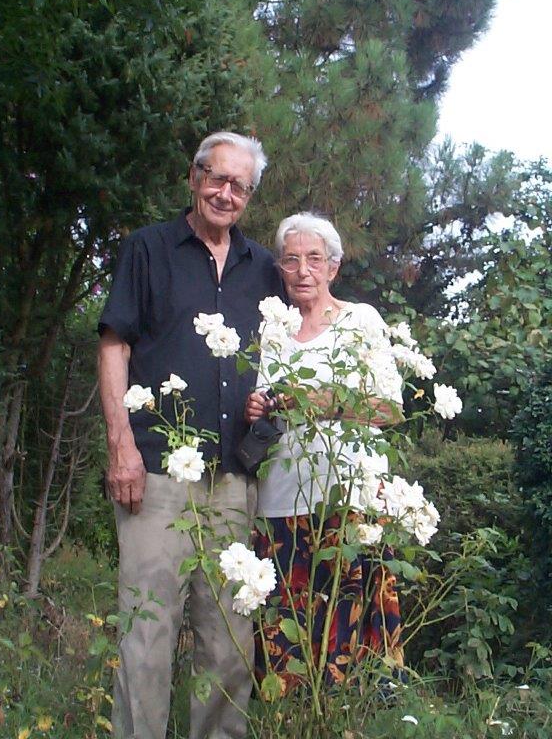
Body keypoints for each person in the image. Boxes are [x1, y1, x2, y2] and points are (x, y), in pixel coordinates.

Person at [98, 131, 284, 739]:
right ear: (194, 176)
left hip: (234, 483)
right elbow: (115, 345)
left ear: (250, 196)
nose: (226, 194)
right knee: (146, 636)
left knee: (229, 644)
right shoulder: (148, 249)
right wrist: (121, 447)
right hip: (155, 479)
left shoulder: (264, 269)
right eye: (218, 178)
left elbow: (283, 360)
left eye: (240, 186)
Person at [244, 213, 404, 691]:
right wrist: (259, 406)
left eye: (314, 259)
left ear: (333, 267)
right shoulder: (269, 330)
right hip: (282, 501)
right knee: (285, 637)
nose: (302, 270)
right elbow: (266, 411)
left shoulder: (361, 320)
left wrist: (318, 399)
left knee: (349, 633)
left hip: (349, 500)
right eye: (291, 260)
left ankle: (347, 720)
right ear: (280, 268)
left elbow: (390, 408)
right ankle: (289, 723)